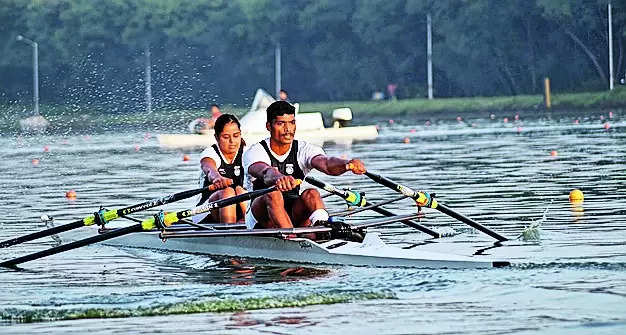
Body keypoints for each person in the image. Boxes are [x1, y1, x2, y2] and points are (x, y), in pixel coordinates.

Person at [242, 101, 366, 230]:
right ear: (269, 126)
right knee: (274, 194)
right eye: (281, 123)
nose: (287, 129)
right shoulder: (255, 151)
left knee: (312, 193)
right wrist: (278, 178)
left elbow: (326, 164)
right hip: (261, 218)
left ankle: (323, 228)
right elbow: (265, 172)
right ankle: (292, 238)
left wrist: (347, 164)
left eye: (292, 123)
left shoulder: (303, 149)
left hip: (293, 211)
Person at [193, 114, 247, 224]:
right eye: (226, 137)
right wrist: (217, 178)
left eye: (236, 136)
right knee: (228, 192)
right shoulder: (210, 153)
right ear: (217, 137)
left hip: (239, 208)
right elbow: (209, 168)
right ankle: (230, 234)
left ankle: (246, 224)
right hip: (206, 211)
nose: (232, 141)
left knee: (240, 191)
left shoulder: (248, 153)